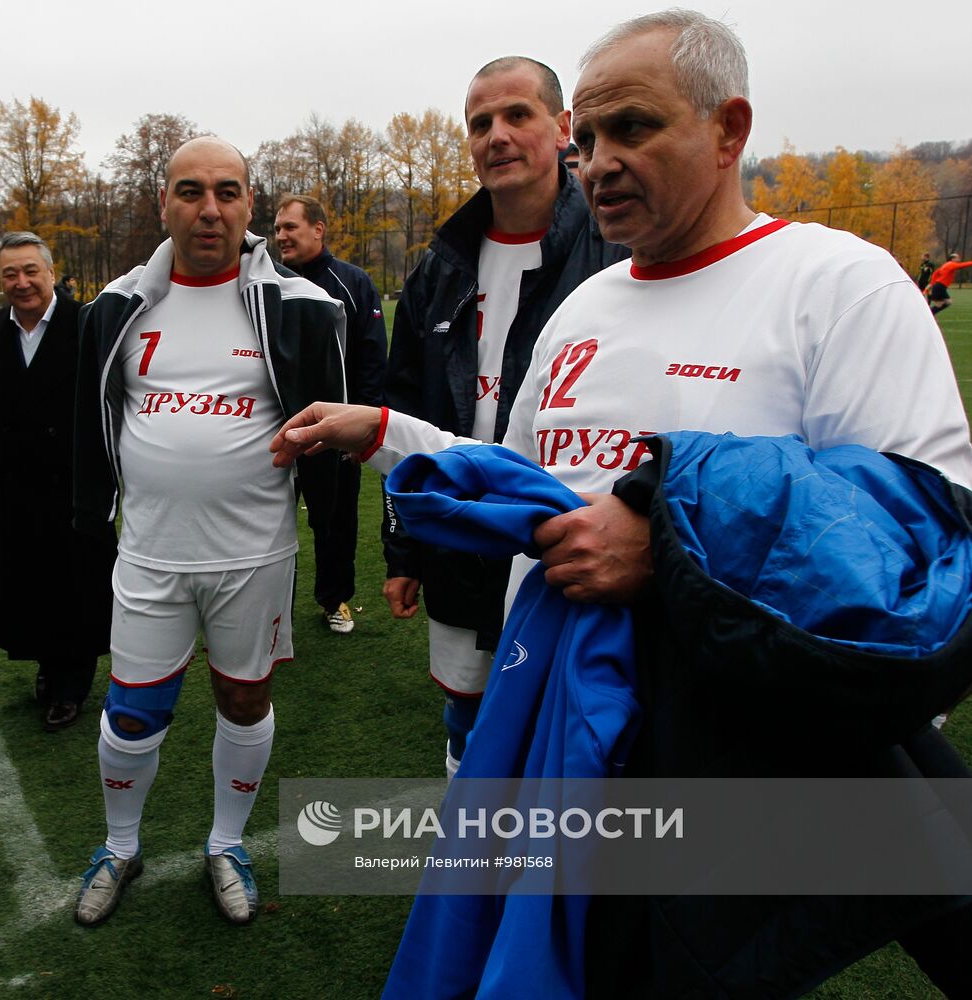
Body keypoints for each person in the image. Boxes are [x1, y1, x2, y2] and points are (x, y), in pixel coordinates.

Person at [274, 9, 972, 996]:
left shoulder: (837, 284)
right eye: (590, 137)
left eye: (633, 129)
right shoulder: (585, 310)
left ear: (727, 129)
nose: (598, 160)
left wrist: (668, 537)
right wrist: (388, 433)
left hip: (732, 776)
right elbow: (526, 481)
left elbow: (927, 538)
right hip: (563, 743)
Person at [71, 136, 345, 927]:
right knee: (131, 711)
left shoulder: (302, 307)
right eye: (190, 191)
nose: (209, 209)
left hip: (253, 556)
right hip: (150, 554)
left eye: (227, 191)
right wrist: (94, 522)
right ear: (163, 203)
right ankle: (120, 846)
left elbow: (329, 437)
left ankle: (225, 842)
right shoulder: (119, 305)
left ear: (249, 205)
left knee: (243, 696)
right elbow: (93, 424)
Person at [383, 55, 627, 778]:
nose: (497, 134)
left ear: (562, 129)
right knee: (465, 710)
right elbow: (406, 410)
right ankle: (472, 863)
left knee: (569, 720)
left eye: (516, 115)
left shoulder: (613, 251)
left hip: (570, 535)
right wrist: (402, 546)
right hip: (463, 535)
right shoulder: (441, 265)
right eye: (479, 122)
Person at [0, 233, 115, 732]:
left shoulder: (86, 323)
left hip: (72, 486)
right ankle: (50, 664)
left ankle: (71, 682)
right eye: (10, 274)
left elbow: (108, 403)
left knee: (76, 584)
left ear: (51, 273)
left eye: (30, 271)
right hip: (12, 489)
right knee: (29, 585)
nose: (21, 283)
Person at [274, 194, 388, 635]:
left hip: (333, 431)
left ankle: (334, 598)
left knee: (334, 520)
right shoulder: (268, 283)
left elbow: (373, 358)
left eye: (291, 227)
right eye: (279, 228)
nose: (281, 235)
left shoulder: (351, 282)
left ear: (318, 230)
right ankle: (271, 601)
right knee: (268, 518)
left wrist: (358, 429)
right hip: (276, 430)